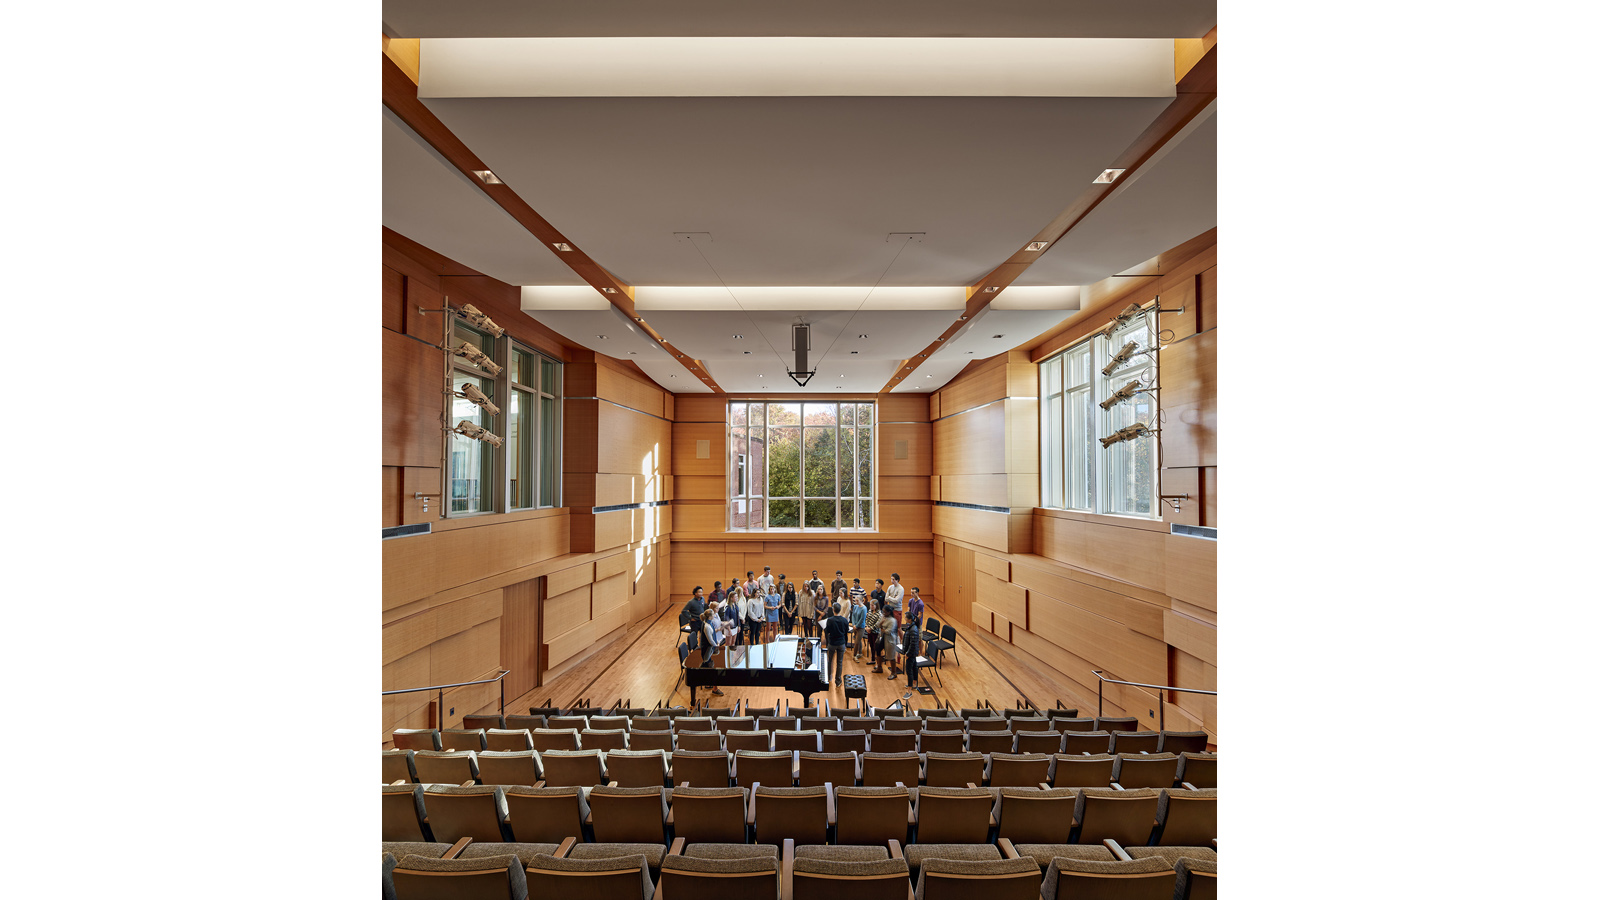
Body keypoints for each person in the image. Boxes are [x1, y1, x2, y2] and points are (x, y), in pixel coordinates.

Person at [822, 602, 850, 687]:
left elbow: (827, 632)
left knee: (830, 661)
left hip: (832, 643)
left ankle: (828, 677)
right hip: (841, 643)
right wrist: (845, 643)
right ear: (840, 610)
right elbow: (846, 632)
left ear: (833, 610)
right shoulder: (844, 620)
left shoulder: (830, 620)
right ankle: (838, 681)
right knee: (839, 662)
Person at [699, 609, 725, 696]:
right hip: (707, 650)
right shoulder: (707, 626)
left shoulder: (707, 623)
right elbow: (710, 640)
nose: (714, 615)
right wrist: (717, 646)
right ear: (710, 616)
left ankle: (709, 683)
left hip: (709, 649)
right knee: (713, 670)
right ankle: (714, 688)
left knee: (710, 669)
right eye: (713, 614)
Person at [680, 586, 707, 653]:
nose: (701, 593)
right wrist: (690, 618)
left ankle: (701, 647)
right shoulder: (691, 602)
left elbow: (703, 608)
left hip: (701, 621)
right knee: (694, 636)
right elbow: (684, 611)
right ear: (695, 593)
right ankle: (694, 650)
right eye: (699, 592)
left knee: (703, 635)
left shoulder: (703, 599)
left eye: (701, 592)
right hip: (694, 622)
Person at [863, 598, 883, 672]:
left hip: (875, 632)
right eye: (870, 605)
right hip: (869, 632)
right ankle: (872, 659)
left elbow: (878, 624)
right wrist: (867, 627)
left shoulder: (879, 613)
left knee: (876, 647)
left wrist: (871, 628)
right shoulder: (870, 611)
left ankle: (878, 663)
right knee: (871, 646)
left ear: (876, 605)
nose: (871, 606)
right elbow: (867, 619)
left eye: (872, 605)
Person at [878, 614, 900, 680]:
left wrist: (882, 629)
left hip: (891, 640)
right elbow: (878, 625)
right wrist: (881, 623)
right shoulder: (884, 617)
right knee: (878, 649)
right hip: (884, 637)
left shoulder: (893, 620)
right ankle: (879, 667)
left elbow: (889, 631)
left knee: (891, 656)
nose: (883, 613)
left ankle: (894, 673)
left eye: (885, 611)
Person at [902, 619, 922, 689]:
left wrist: (908, 654)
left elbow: (912, 644)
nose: (905, 619)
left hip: (911, 653)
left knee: (909, 670)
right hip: (912, 652)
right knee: (914, 667)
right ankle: (914, 683)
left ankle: (910, 686)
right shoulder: (911, 627)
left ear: (909, 619)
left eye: (906, 617)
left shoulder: (913, 629)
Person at [849, 593, 867, 660]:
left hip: (860, 627)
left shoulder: (864, 608)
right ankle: (860, 653)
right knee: (858, 641)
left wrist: (856, 626)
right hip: (855, 626)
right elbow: (853, 615)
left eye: (857, 601)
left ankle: (854, 655)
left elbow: (862, 619)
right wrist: (854, 624)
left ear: (862, 600)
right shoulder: (856, 606)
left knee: (856, 642)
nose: (855, 602)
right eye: (855, 600)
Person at [764, 575, 782, 642]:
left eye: (773, 589)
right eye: (771, 589)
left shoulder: (778, 596)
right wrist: (770, 607)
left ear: (775, 589)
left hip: (775, 612)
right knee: (768, 628)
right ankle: (767, 640)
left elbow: (780, 604)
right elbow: (765, 606)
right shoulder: (767, 596)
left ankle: (775, 639)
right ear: (769, 590)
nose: (772, 590)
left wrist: (778, 606)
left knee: (775, 628)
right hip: (769, 613)